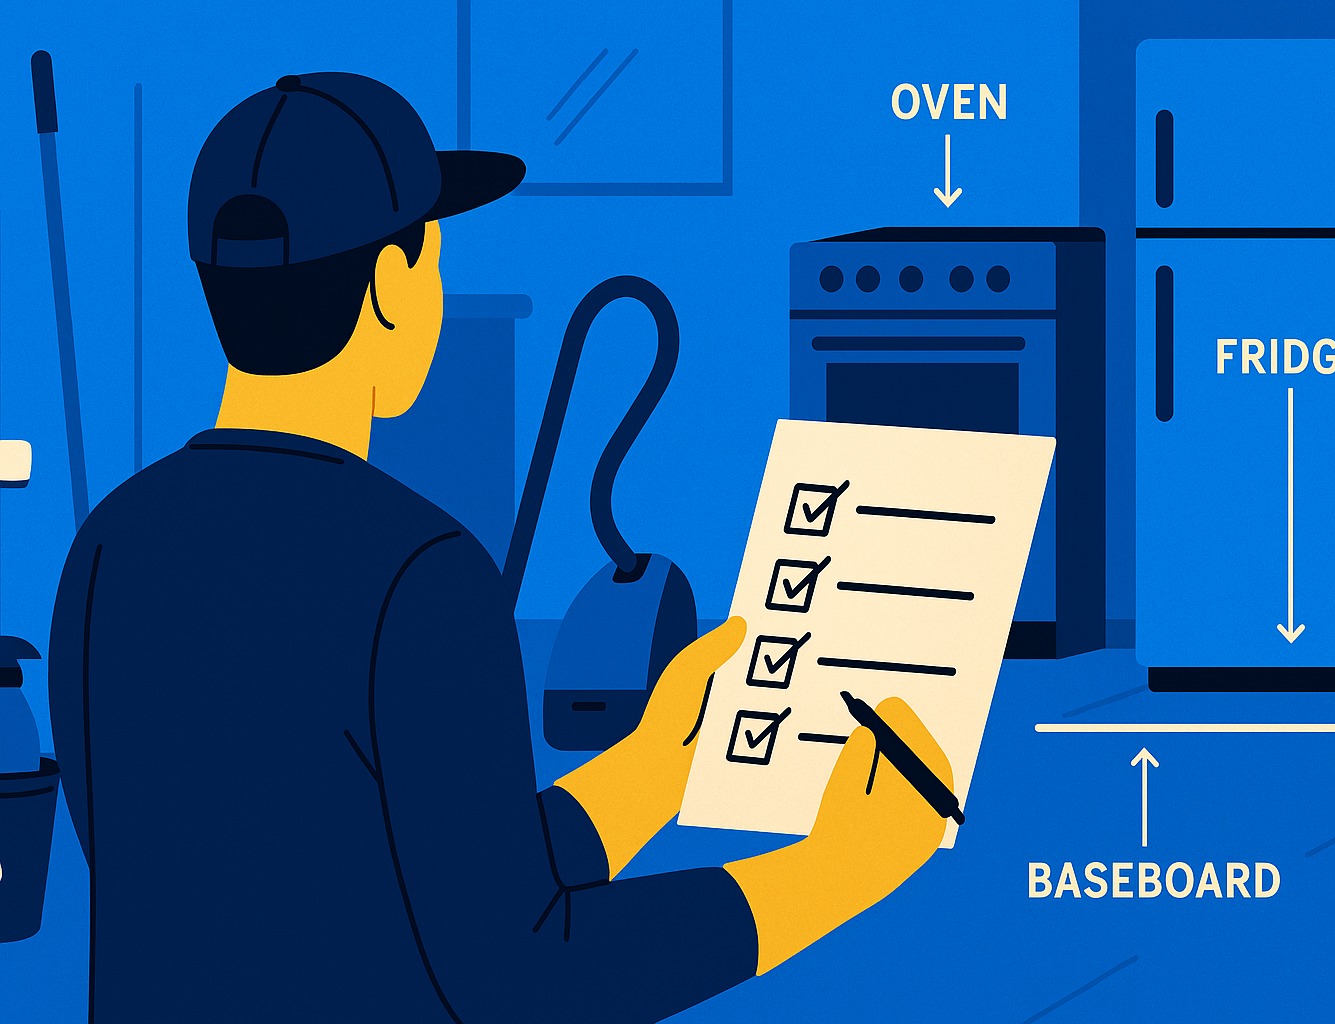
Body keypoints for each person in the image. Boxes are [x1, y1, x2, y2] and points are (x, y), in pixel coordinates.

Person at [48, 72, 952, 1023]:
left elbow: (358, 882)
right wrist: (837, 869)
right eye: (433, 261)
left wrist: (654, 770)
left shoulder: (106, 549)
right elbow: (524, 975)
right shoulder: (417, 572)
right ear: (390, 286)